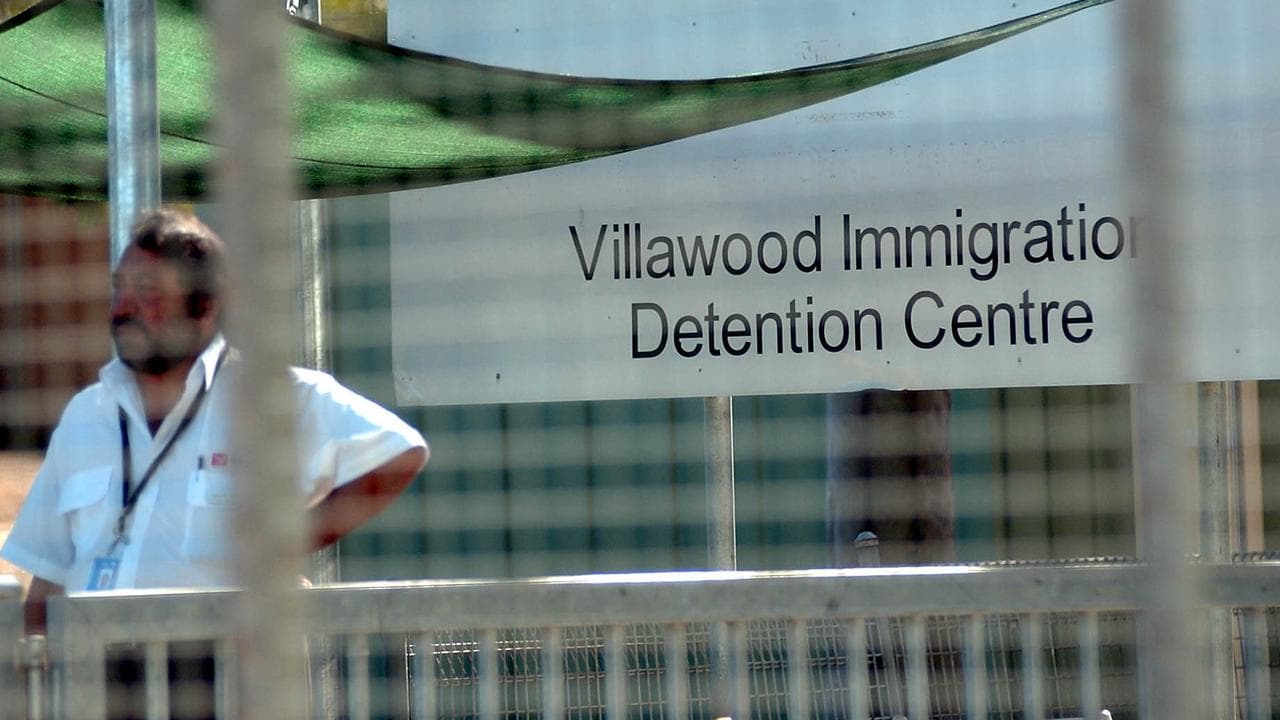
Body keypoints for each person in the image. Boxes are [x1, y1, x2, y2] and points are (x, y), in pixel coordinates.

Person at [1, 208, 429, 633]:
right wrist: (33, 677)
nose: (122, 307)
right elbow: (49, 572)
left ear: (205, 306)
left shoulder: (268, 397)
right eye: (119, 290)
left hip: (223, 676)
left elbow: (398, 451)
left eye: (146, 290)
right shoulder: (86, 414)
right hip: (95, 680)